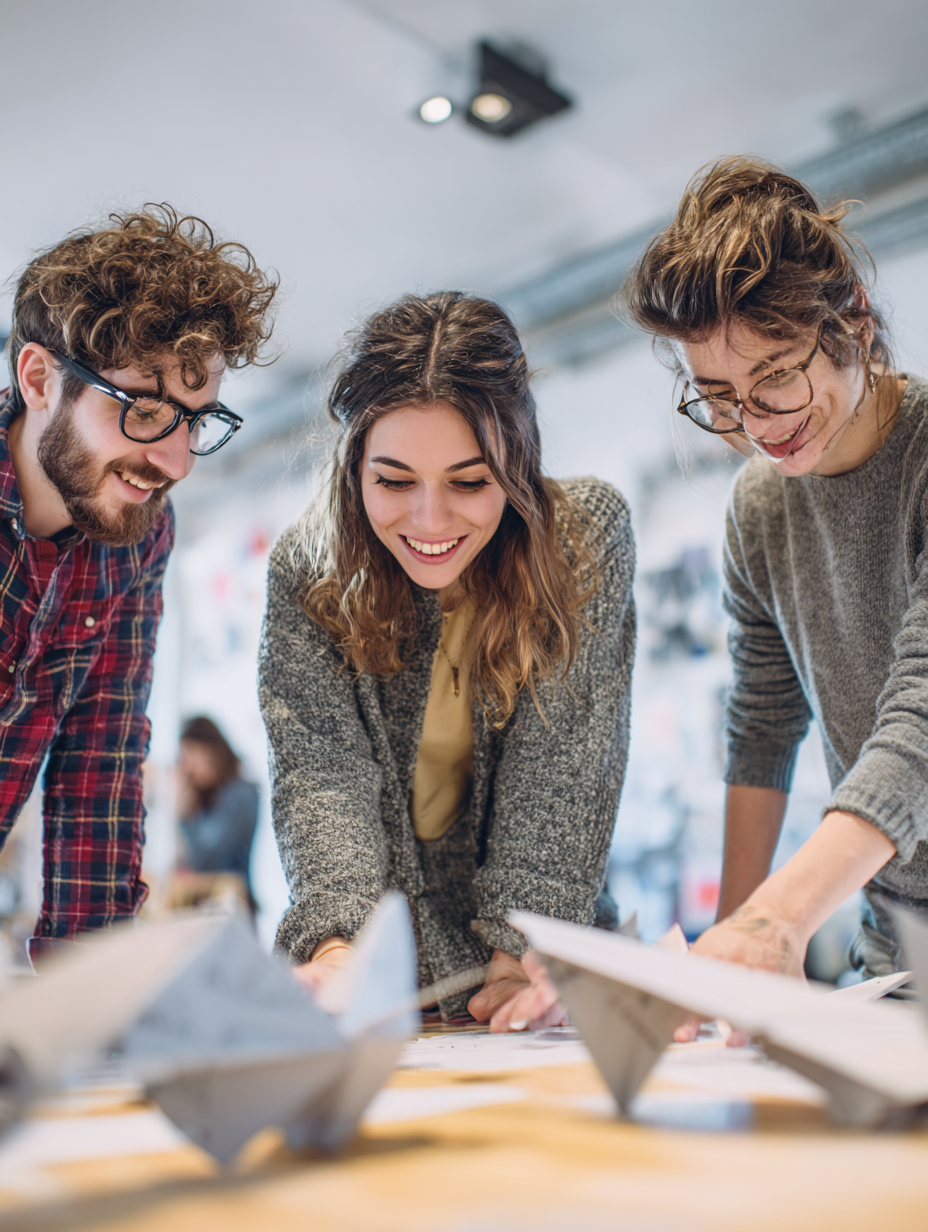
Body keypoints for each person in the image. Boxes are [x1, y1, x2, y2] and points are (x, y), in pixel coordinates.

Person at [259, 292, 635, 1030]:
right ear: (353, 466)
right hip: (384, 983)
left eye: (470, 482)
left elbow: (565, 762)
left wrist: (518, 950)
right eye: (394, 481)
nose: (430, 521)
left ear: (517, 463)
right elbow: (321, 773)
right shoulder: (312, 572)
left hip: (539, 972)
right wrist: (340, 947)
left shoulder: (584, 541)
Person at [625, 156, 922, 987]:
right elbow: (762, 730)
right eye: (718, 395)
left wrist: (778, 918)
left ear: (853, 322)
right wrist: (735, 944)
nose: (756, 425)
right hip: (899, 934)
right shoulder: (758, 510)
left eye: (777, 377)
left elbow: (921, 725)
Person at [0, 206, 277, 960]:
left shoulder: (140, 533)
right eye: (145, 411)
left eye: (195, 420)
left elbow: (101, 755)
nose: (177, 461)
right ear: (38, 379)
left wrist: (88, 996)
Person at [170, 716, 260, 913]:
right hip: (207, 907)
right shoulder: (206, 797)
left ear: (212, 750)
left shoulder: (242, 793)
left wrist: (186, 816)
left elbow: (210, 859)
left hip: (234, 909)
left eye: (193, 754)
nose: (189, 767)